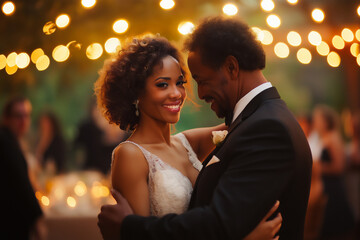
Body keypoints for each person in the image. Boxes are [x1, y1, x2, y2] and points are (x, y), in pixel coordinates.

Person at [97, 16, 312, 239]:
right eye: (162, 84)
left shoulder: (261, 127)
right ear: (135, 93)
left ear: (231, 67)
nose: (183, 93)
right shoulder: (131, 154)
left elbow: (220, 221)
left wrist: (130, 226)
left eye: (181, 82)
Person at [0, 96, 46, 239]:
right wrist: (37, 219)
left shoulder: (11, 140)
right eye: (18, 116)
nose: (23, 121)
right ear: (6, 118)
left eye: (27, 115)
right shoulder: (5, 142)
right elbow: (21, 183)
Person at [312, 105, 355, 239]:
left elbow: (339, 167)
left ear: (326, 121)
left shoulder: (333, 138)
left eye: (318, 120)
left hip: (333, 188)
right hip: (325, 186)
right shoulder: (323, 138)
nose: (316, 123)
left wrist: (319, 167)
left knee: (336, 227)